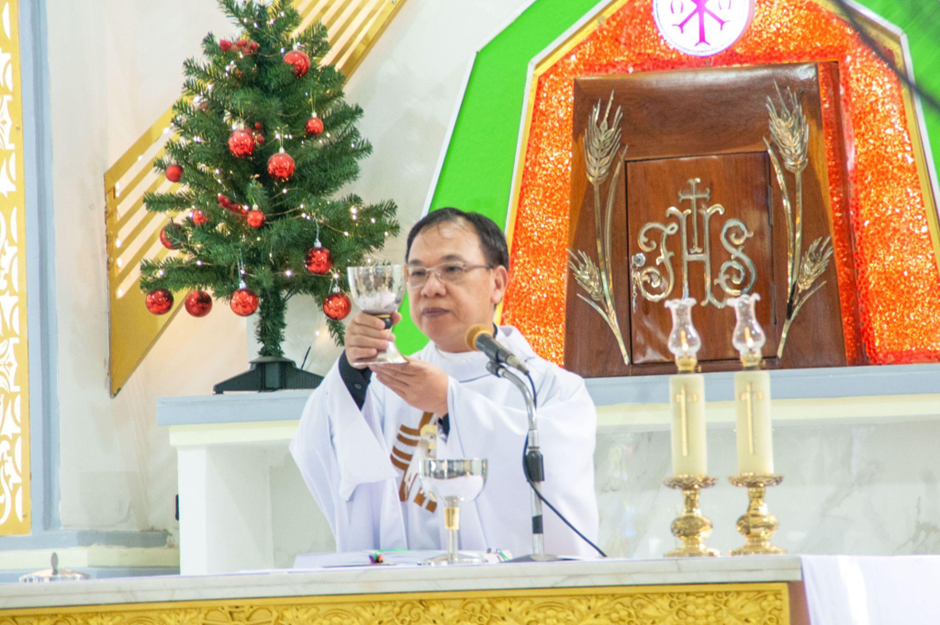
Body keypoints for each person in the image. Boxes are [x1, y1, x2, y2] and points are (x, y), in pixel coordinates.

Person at [289, 208, 599, 557]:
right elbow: (317, 449)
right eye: (417, 273)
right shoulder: (389, 382)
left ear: (497, 283)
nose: (431, 288)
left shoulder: (548, 389)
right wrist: (352, 369)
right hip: (407, 588)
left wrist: (450, 404)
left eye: (452, 269)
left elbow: (554, 481)